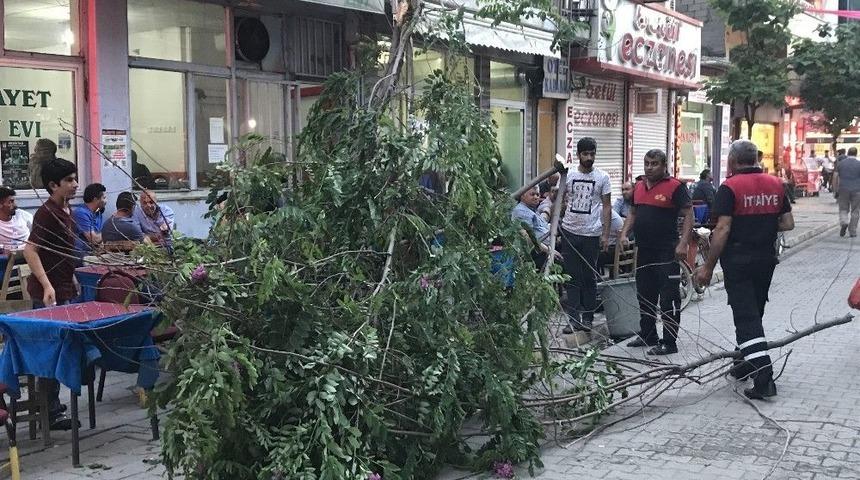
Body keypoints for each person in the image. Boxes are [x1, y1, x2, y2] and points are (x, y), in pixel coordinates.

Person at [695, 140, 794, 400]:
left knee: (746, 318)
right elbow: (787, 223)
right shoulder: (776, 184)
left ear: (733, 160)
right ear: (756, 159)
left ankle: (764, 377)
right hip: (766, 259)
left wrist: (707, 267)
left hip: (738, 260)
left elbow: (723, 229)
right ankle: (744, 363)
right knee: (755, 311)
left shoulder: (730, 187)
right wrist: (762, 226)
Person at [22, 157, 80, 429]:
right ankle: (49, 412)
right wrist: (47, 285)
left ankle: (52, 405)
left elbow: (64, 253)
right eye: (68, 181)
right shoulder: (45, 213)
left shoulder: (67, 210)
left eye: (74, 178)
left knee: (60, 348)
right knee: (50, 351)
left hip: (64, 285)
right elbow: (30, 250)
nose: (75, 184)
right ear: (53, 185)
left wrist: (73, 278)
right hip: (48, 293)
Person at [620, 149, 693, 355]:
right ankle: (648, 334)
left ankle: (669, 342)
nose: (649, 167)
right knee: (645, 293)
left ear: (664, 166)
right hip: (644, 249)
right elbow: (633, 213)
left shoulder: (675, 187)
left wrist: (683, 243)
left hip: (667, 250)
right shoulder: (639, 186)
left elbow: (689, 215)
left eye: (654, 164)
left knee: (668, 296)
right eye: (647, 163)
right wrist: (624, 234)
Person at [559, 137, 612, 334]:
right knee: (571, 277)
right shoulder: (570, 174)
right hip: (570, 232)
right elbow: (559, 199)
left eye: (592, 154)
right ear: (579, 154)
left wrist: (605, 234)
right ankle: (573, 319)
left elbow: (607, 207)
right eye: (585, 154)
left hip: (591, 234)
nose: (589, 158)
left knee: (589, 277)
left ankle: (588, 318)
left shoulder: (603, 177)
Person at [511, 186, 556, 267]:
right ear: (522, 196)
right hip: (536, 253)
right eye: (532, 194)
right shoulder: (521, 211)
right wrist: (549, 250)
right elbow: (527, 237)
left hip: (545, 249)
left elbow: (542, 223)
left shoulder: (532, 209)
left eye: (538, 195)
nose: (536, 197)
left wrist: (547, 210)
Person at [71, 183, 106, 258]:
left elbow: (100, 240)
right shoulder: (81, 213)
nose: (106, 201)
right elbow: (94, 240)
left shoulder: (98, 213)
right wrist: (108, 233)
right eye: (104, 198)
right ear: (95, 199)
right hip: (81, 255)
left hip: (93, 253)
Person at [832, 147, 860, 238]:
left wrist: (835, 189)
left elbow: (835, 177)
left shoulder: (840, 164)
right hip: (857, 190)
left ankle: (844, 222)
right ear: (856, 154)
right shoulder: (859, 164)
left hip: (843, 189)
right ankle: (853, 231)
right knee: (855, 210)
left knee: (843, 208)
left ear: (847, 153)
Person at [0, 187, 33, 251]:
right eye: (11, 202)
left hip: (27, 254)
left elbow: (36, 236)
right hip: (6, 257)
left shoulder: (24, 215)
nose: (15, 205)